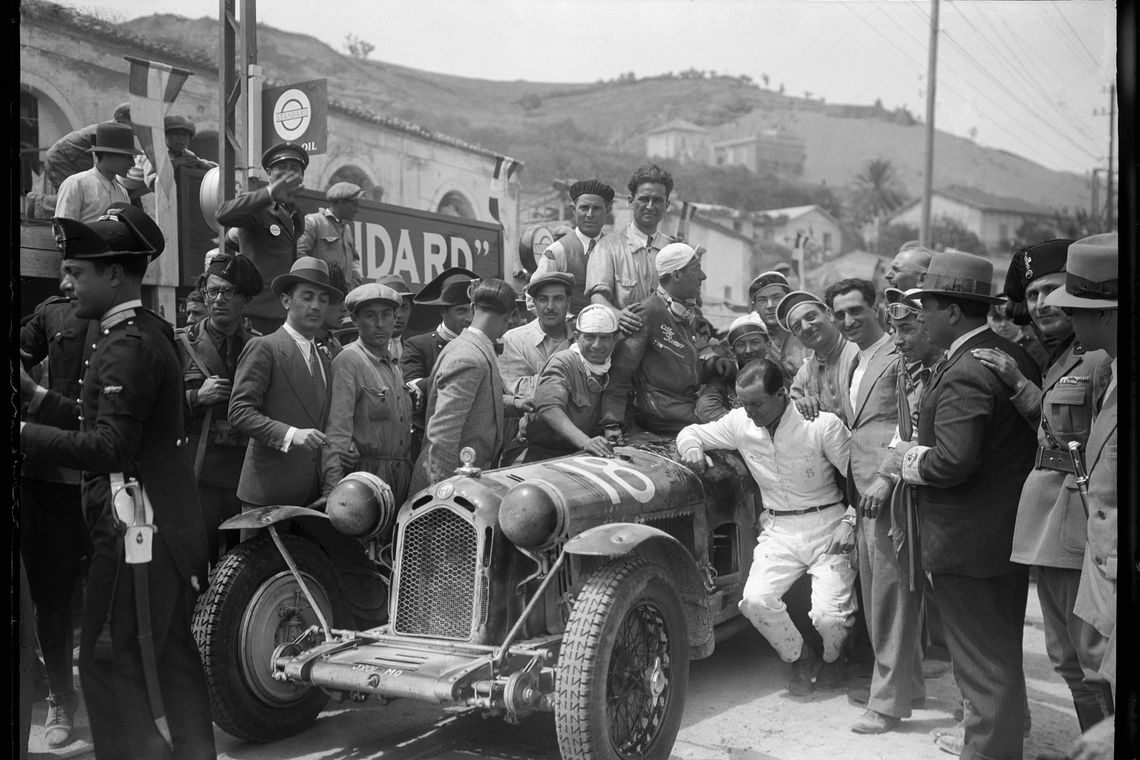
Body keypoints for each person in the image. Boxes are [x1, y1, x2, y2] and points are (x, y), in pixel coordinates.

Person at [19, 203, 216, 759]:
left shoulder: (125, 345)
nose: (65, 282)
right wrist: (36, 398)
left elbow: (111, 447)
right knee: (169, 652)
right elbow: (110, 424)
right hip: (160, 524)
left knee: (108, 662)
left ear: (113, 274)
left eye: (75, 273)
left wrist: (23, 433)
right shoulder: (140, 329)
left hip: (136, 530)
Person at [901, 250, 1042, 760]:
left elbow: (953, 462)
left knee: (983, 664)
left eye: (927, 307)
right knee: (1000, 653)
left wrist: (907, 460)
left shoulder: (964, 369)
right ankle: (1002, 741)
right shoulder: (1008, 354)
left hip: (967, 545)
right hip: (1001, 537)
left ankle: (986, 752)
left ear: (954, 312)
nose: (919, 317)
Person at [970, 239, 1114, 739]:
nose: (1041, 305)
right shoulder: (1060, 357)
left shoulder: (1098, 359)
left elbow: (1097, 446)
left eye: (1052, 291)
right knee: (1067, 657)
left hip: (1081, 524)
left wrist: (1023, 389)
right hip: (1053, 522)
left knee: (1089, 656)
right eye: (1031, 296)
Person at [677, 358, 856, 696]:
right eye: (744, 404)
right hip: (779, 529)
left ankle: (836, 660)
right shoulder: (740, 422)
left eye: (757, 403)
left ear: (782, 394)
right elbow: (691, 432)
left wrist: (850, 520)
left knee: (830, 618)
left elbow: (859, 476)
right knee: (755, 601)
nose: (750, 411)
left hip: (827, 522)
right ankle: (801, 658)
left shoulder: (820, 424)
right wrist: (692, 449)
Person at [822, 279, 923, 735]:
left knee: (888, 597)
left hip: (887, 488)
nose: (847, 321)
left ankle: (886, 703)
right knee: (880, 592)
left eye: (855, 310)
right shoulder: (855, 360)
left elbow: (912, 423)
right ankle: (910, 688)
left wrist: (886, 476)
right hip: (860, 490)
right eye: (839, 314)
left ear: (877, 308)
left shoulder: (897, 355)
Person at [1041, 233, 1119, 760]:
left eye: (1079, 309)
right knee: (1095, 672)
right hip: (1101, 560)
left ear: (1109, 314)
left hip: (1115, 564)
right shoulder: (1113, 371)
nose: (1071, 320)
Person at [18, 294, 100, 748]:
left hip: (105, 476)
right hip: (48, 476)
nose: (70, 275)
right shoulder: (52, 312)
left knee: (111, 591)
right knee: (51, 596)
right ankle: (60, 698)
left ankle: (115, 694)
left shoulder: (130, 325)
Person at [228, 256, 342, 513]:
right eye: (307, 296)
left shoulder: (324, 359)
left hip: (311, 495)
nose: (316, 306)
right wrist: (291, 434)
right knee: (259, 555)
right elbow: (239, 413)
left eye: (323, 300)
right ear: (286, 301)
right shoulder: (264, 347)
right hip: (268, 494)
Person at [176, 253, 263, 563]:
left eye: (229, 292)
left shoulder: (259, 346)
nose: (219, 299)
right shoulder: (180, 344)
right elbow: (158, 408)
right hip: (199, 470)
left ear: (245, 299)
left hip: (245, 472)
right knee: (197, 560)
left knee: (241, 563)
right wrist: (196, 397)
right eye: (212, 291)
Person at [410, 279, 532, 491]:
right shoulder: (470, 357)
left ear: (474, 307)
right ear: (510, 316)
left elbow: (477, 402)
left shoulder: (469, 347)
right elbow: (443, 435)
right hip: (448, 489)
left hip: (462, 485)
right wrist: (443, 494)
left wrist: (516, 404)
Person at [602, 242, 724, 436]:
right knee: (731, 429)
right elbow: (619, 374)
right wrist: (612, 422)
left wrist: (711, 366)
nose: (703, 276)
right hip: (661, 415)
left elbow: (676, 366)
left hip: (683, 408)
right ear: (676, 275)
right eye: (696, 270)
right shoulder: (647, 313)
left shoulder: (685, 312)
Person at [322, 283, 414, 504]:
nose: (380, 324)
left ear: (395, 317)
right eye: (370, 316)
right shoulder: (348, 361)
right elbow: (337, 432)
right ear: (355, 320)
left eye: (386, 315)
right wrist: (332, 492)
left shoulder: (393, 365)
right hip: (365, 482)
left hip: (400, 478)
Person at [505, 304, 620, 463]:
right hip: (535, 454)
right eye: (590, 337)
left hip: (575, 455)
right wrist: (585, 441)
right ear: (577, 336)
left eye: (604, 337)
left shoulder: (612, 368)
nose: (597, 345)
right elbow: (549, 407)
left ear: (615, 338)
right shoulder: (564, 362)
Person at [215, 141, 309, 334]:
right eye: (280, 168)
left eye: (294, 168)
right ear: (268, 173)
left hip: (285, 311)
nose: (287, 173)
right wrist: (269, 193)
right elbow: (223, 214)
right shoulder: (259, 205)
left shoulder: (296, 214)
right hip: (256, 311)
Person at [586, 163, 678, 334]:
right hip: (623, 344)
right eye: (644, 199)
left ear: (667, 205)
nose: (650, 206)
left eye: (657, 200)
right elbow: (597, 298)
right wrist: (617, 315)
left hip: (666, 348)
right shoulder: (606, 247)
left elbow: (688, 302)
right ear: (630, 201)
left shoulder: (674, 251)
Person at [400, 266, 478, 459]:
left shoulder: (486, 346)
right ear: (442, 311)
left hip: (475, 447)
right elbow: (411, 390)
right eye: (461, 311)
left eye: (473, 310)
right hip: (432, 447)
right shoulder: (419, 345)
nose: (469, 318)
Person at [534, 179, 615, 314]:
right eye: (584, 208)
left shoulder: (616, 249)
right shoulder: (557, 251)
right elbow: (533, 299)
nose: (589, 214)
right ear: (573, 209)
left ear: (607, 210)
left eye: (596, 208)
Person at [779, 290, 858, 419]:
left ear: (829, 314)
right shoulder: (804, 374)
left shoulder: (858, 351)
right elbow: (789, 410)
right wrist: (800, 404)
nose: (806, 327)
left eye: (811, 317)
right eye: (797, 326)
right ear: (795, 335)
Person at [499, 271, 574, 402]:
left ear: (568, 302)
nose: (550, 307)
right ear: (534, 303)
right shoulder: (513, 341)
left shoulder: (582, 341)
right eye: (543, 299)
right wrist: (573, 379)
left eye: (558, 299)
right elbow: (519, 389)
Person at [54, 122, 138, 224]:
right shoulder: (76, 184)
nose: (133, 163)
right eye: (127, 156)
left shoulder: (122, 192)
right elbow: (63, 230)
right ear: (108, 154)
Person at [696, 312, 769, 422]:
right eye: (740, 344)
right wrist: (750, 426)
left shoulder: (779, 376)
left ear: (768, 346)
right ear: (732, 351)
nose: (748, 350)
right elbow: (705, 409)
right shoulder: (725, 378)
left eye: (755, 342)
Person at [42, 102, 131, 192]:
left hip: (74, 159)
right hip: (60, 158)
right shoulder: (108, 132)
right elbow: (100, 165)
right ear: (123, 119)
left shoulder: (117, 132)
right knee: (72, 194)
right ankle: (37, 201)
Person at [298, 181, 366, 290]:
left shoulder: (346, 229)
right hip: (321, 293)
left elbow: (354, 262)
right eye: (354, 205)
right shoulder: (313, 222)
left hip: (343, 297)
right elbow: (300, 255)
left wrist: (351, 286)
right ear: (340, 202)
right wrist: (317, 284)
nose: (357, 210)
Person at [748, 270, 809, 385]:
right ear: (754, 306)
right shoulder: (753, 342)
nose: (770, 305)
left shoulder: (807, 332)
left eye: (776, 298)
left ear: (787, 300)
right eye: (762, 300)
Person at [377, 273, 416, 361]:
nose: (399, 315)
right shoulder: (357, 354)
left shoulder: (415, 352)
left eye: (404, 307)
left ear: (410, 310)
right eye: (391, 309)